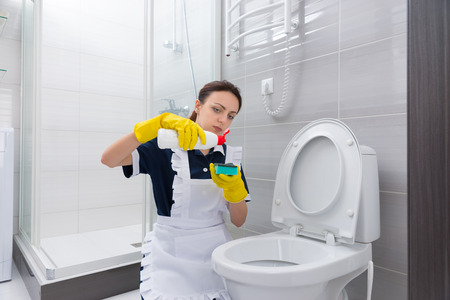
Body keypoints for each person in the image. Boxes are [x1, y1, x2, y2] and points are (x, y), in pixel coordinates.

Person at [101, 80, 250, 300]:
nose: (223, 120)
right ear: (198, 106)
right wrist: (150, 128)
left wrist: (235, 192)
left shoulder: (229, 157)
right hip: (171, 253)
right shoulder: (164, 148)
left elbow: (239, 220)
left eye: (231, 115)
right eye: (217, 109)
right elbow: (108, 159)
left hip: (215, 251)